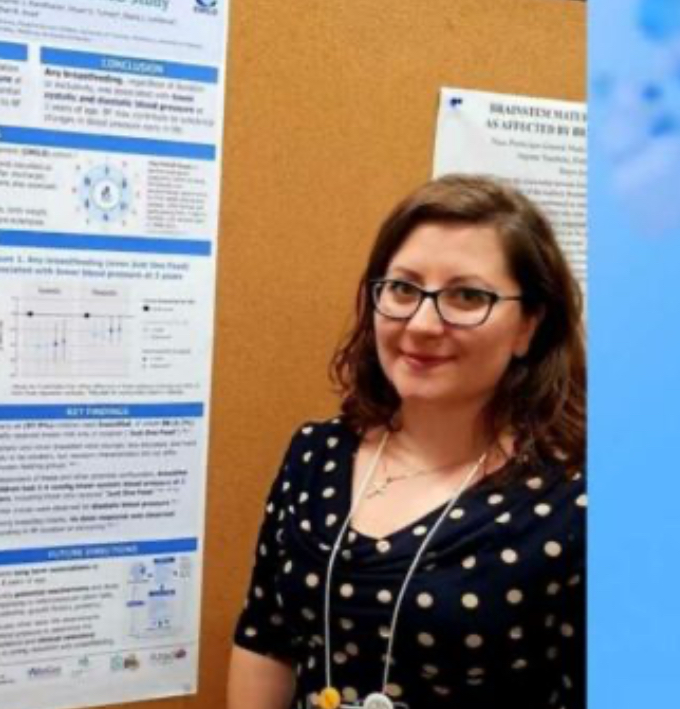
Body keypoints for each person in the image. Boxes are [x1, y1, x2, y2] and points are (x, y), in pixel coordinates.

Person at [227, 175, 585, 709]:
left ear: (528, 326)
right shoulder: (315, 454)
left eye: (467, 296)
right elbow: (266, 638)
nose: (421, 323)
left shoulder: (575, 503)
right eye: (403, 289)